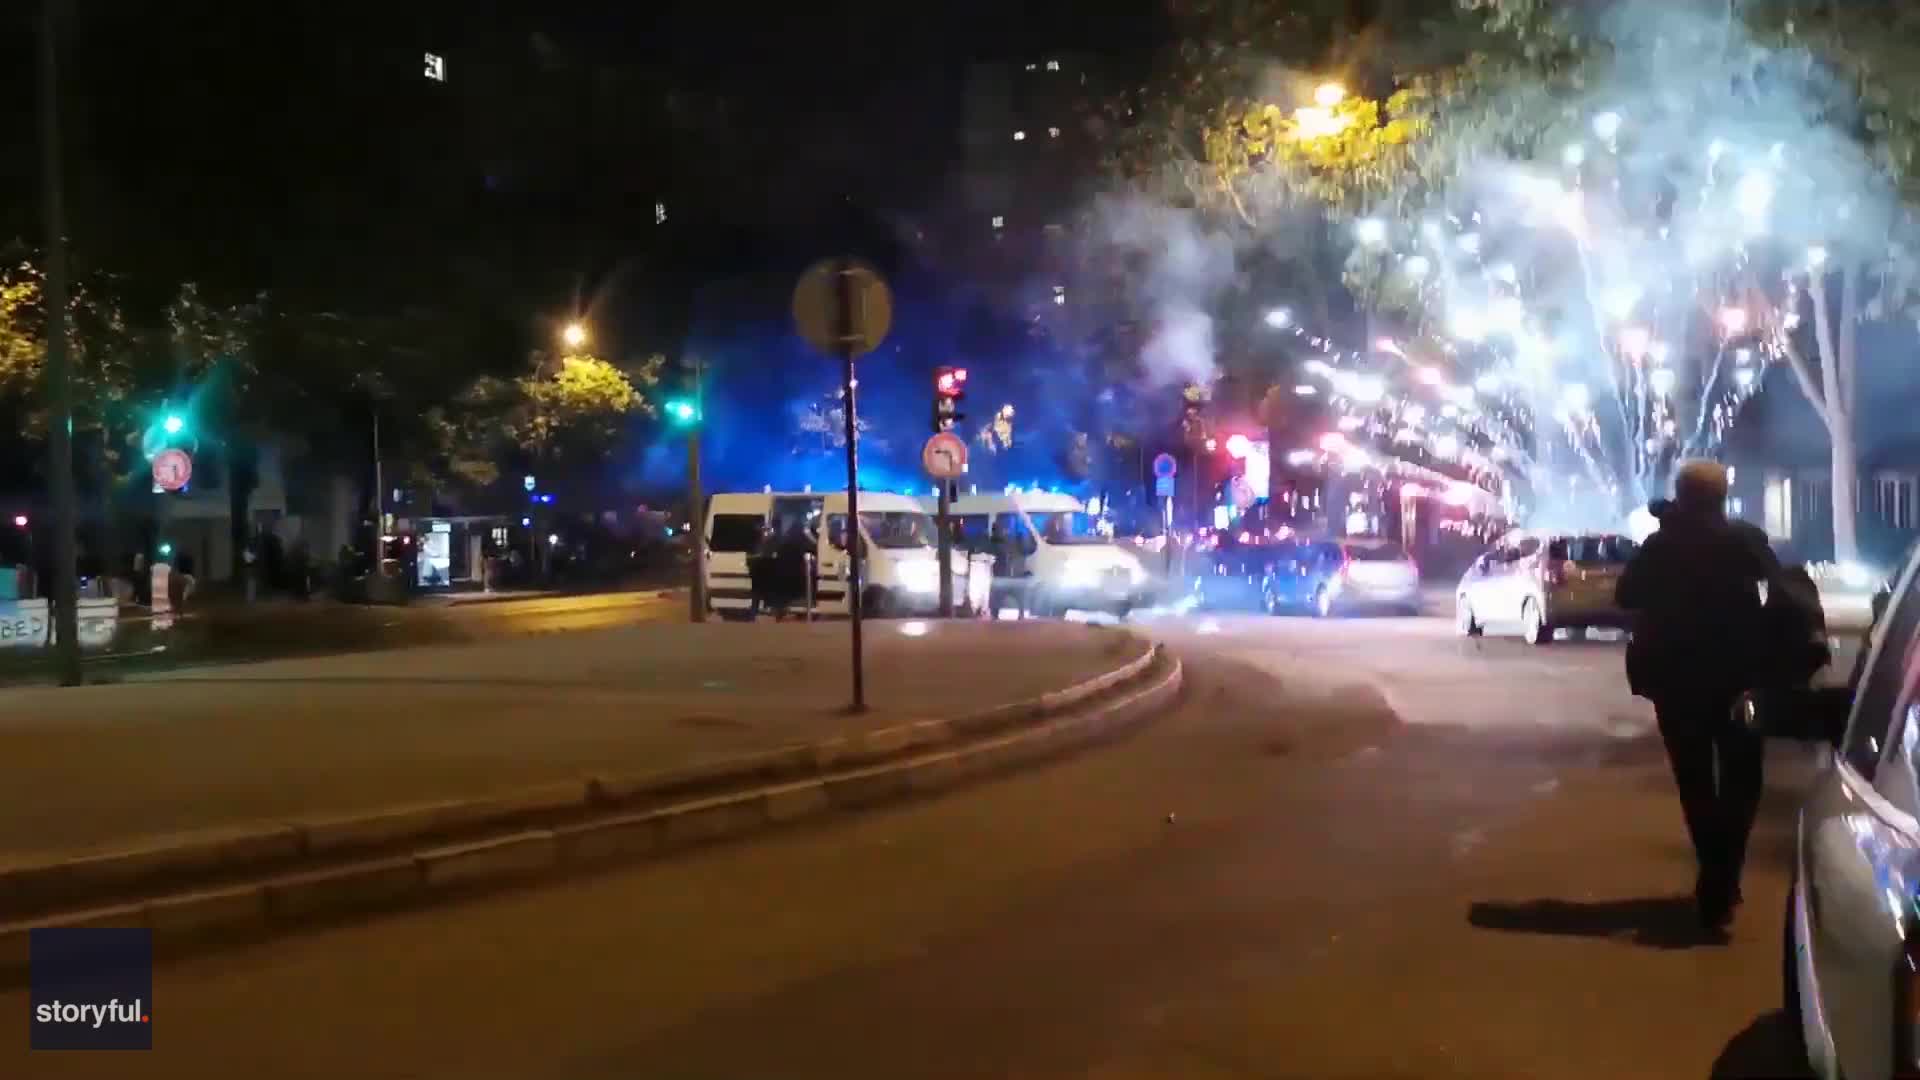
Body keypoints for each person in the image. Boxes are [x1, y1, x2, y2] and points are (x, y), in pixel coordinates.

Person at [1616, 460, 1780, 930]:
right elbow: (1780, 591)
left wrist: (1669, 530)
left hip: (1677, 683)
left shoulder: (1661, 546)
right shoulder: (1745, 541)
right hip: (1740, 681)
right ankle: (1722, 876)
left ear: (1682, 497)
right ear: (1722, 497)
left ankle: (1716, 876)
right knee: (1743, 782)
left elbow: (1626, 595)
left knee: (1695, 783)